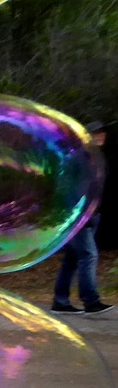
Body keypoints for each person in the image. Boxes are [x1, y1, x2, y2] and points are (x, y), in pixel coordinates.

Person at [52, 121, 112, 317]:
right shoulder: (81, 159)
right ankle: (91, 301)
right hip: (80, 218)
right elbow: (71, 190)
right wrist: (81, 216)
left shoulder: (96, 158)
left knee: (72, 259)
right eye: (96, 134)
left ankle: (60, 302)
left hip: (91, 216)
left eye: (102, 134)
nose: (100, 137)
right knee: (89, 255)